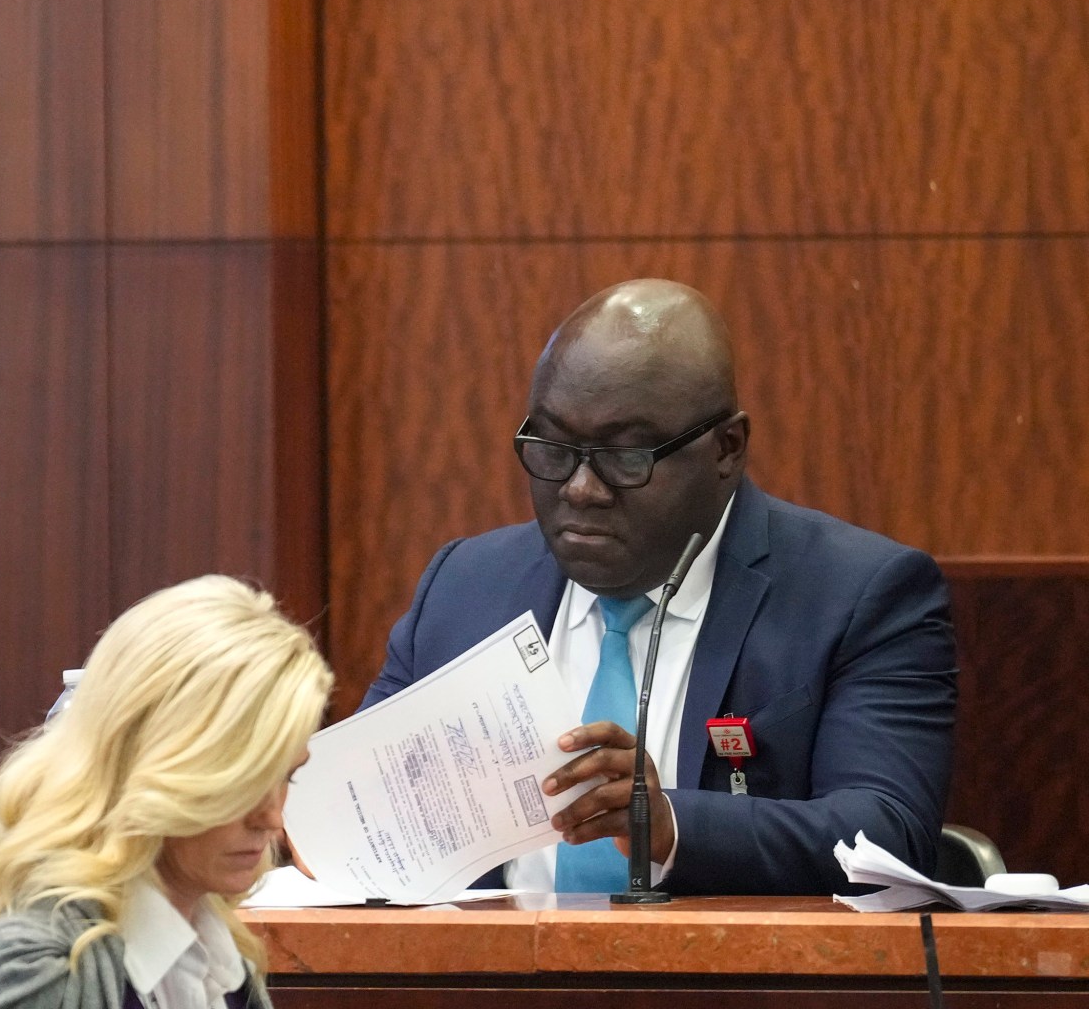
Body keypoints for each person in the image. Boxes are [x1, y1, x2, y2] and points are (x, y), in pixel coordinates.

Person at [362, 279, 957, 896]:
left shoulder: (858, 595)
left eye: (627, 455)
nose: (581, 488)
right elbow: (356, 804)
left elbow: (888, 834)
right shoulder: (465, 586)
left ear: (727, 448)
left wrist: (672, 823)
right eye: (554, 446)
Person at [0, 577, 332, 1009]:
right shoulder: (37, 976)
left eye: (285, 777)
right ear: (148, 765)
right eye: (243, 781)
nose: (272, 819)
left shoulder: (219, 955)